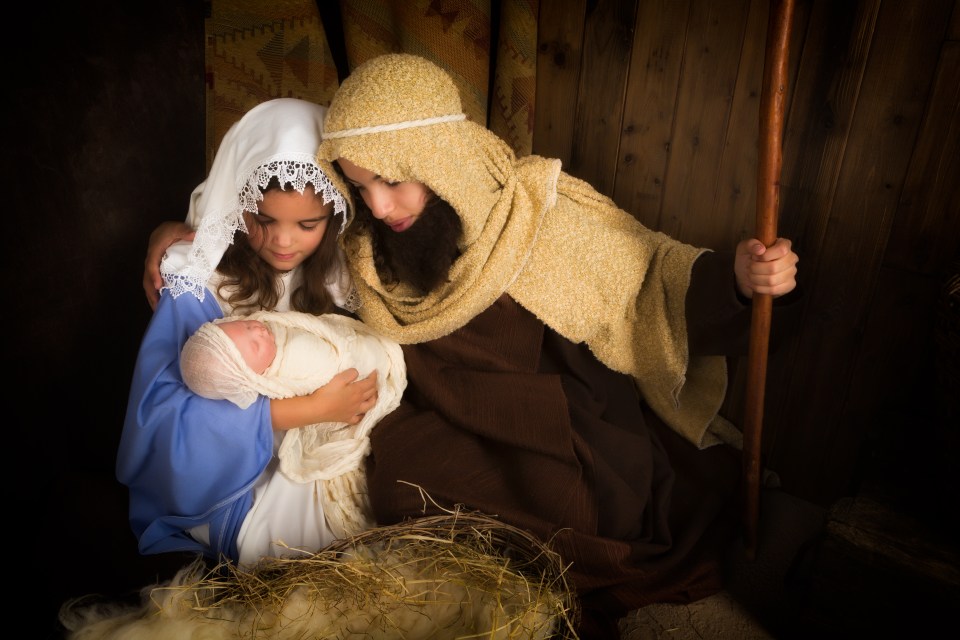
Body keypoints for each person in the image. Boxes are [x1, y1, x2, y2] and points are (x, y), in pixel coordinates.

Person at [144, 54, 801, 637]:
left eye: (393, 181)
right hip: (446, 409)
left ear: (440, 157)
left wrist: (740, 282)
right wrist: (177, 230)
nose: (380, 205)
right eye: (362, 187)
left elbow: (650, 275)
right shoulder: (369, 242)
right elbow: (267, 216)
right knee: (398, 490)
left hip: (556, 413)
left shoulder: (534, 216)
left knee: (581, 507)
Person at [119, 97, 381, 569]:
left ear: (337, 216)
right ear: (238, 200)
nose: (282, 241)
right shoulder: (197, 282)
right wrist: (308, 410)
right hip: (226, 483)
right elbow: (161, 427)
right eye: (262, 220)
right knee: (312, 547)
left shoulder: (340, 278)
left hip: (310, 450)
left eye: (307, 224)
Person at [180, 310, 406, 538]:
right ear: (251, 377)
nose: (258, 330)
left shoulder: (269, 329)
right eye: (255, 346)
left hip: (369, 355)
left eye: (246, 325)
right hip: (355, 392)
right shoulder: (272, 378)